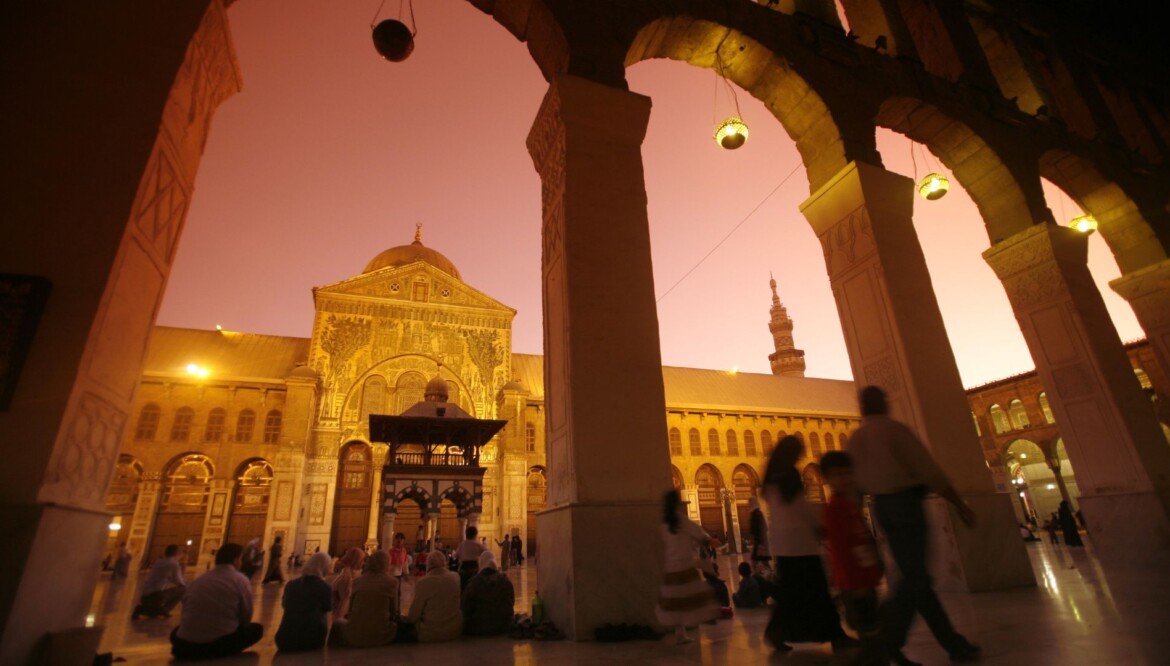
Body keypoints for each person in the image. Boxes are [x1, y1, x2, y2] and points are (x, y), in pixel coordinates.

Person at [847, 385, 981, 666]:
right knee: (916, 578)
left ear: (862, 407)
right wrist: (959, 504)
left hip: (882, 509)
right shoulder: (894, 430)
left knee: (916, 578)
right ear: (883, 404)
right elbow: (928, 470)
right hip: (906, 506)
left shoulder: (857, 438)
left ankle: (953, 644)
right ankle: (888, 640)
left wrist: (856, 523)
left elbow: (855, 487)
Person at [762, 435, 853, 654]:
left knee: (789, 594)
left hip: (782, 545)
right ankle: (836, 636)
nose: (800, 456)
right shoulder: (790, 474)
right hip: (800, 543)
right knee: (818, 591)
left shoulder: (770, 477)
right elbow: (800, 506)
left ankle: (775, 632)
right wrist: (823, 520)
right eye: (798, 452)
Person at [821, 450, 885, 666]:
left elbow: (863, 539)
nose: (844, 479)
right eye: (837, 475)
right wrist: (851, 582)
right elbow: (839, 549)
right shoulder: (834, 509)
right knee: (869, 635)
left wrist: (875, 569)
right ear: (828, 480)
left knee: (874, 633)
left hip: (865, 579)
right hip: (853, 585)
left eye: (847, 473)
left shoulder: (849, 505)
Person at [169, 543, 263, 661]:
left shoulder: (199, 580)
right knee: (257, 630)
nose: (241, 562)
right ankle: (212, 650)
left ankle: (192, 649)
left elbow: (185, 612)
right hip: (218, 644)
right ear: (235, 560)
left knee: (176, 633)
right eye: (240, 559)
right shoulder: (240, 579)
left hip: (186, 645)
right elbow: (246, 618)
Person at [655, 489, 720, 645]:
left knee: (676, 602)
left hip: (671, 568)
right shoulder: (681, 520)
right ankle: (710, 617)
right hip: (684, 566)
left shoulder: (664, 524)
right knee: (696, 597)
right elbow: (697, 533)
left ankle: (680, 633)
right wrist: (709, 541)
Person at [333, 550, 399, 647]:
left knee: (337, 624)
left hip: (354, 634)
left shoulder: (357, 581)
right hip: (381, 635)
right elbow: (393, 612)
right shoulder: (392, 582)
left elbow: (351, 609)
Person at [274, 552, 333, 652]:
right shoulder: (324, 587)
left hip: (283, 640)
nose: (329, 569)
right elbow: (328, 607)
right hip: (312, 640)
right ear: (323, 566)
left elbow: (284, 604)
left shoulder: (291, 584)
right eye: (328, 565)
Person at [405, 550, 463, 642]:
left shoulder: (423, 583)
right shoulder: (456, 578)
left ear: (428, 565)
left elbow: (413, 616)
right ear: (444, 563)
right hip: (454, 631)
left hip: (429, 633)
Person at [461, 550, 515, 636]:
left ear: (481, 563)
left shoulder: (473, 583)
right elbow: (511, 602)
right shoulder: (505, 580)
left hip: (478, 628)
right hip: (504, 626)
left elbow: (465, 607)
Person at [133, 544, 187, 619]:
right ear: (176, 553)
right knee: (183, 589)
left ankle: (153, 610)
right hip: (156, 596)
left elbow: (170, 563)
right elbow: (179, 581)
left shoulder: (159, 562)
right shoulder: (174, 564)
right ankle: (164, 610)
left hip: (144, 596)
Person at [332, 547, 366, 620]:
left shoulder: (346, 574)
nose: (363, 563)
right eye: (362, 560)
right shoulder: (346, 579)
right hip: (341, 617)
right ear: (356, 560)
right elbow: (343, 603)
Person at [455, 525, 486, 590]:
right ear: (475, 535)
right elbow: (487, 553)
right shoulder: (477, 545)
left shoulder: (462, 544)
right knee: (474, 588)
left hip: (463, 568)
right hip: (474, 568)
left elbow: (456, 555)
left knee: (463, 587)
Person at [747, 496, 770, 568]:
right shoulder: (758, 513)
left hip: (759, 543)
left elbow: (757, 529)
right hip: (760, 543)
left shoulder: (756, 514)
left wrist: (759, 542)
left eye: (750, 502)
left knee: (759, 562)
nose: (748, 504)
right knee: (762, 562)